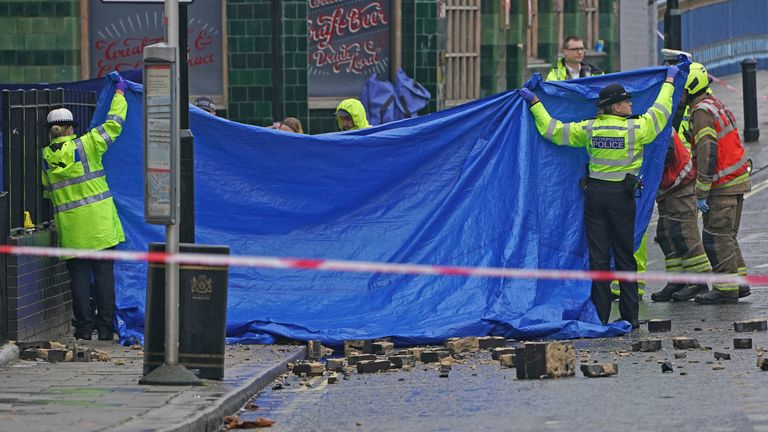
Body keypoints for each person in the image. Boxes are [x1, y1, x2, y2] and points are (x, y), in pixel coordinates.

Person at [520, 67, 679, 328]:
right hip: (622, 199)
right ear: (615, 107)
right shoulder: (636, 129)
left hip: (595, 197)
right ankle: (630, 317)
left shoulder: (590, 128)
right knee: (625, 257)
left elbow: (553, 131)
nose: (631, 103)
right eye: (626, 100)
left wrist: (535, 103)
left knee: (599, 259)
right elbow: (661, 111)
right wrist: (670, 81)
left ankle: (600, 317)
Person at [41, 75, 128, 341]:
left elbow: (48, 192)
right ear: (70, 128)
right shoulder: (87, 144)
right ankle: (104, 329)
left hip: (72, 229)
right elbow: (114, 125)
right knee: (103, 278)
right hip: (99, 225)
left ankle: (83, 329)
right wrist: (120, 95)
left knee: (78, 280)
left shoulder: (45, 158)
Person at [682, 63, 751, 304]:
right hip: (735, 181)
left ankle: (725, 290)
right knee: (727, 237)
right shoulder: (715, 104)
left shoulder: (700, 112)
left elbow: (707, 151)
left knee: (715, 237)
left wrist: (702, 189)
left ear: (690, 87)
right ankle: (738, 285)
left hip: (721, 185)